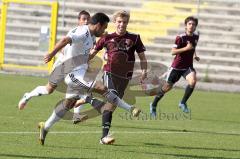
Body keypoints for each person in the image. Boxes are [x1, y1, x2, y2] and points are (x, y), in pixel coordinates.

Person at [37, 12, 141, 146]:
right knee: (102, 88)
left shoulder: (91, 35)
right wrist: (51, 54)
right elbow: (65, 40)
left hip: (80, 72)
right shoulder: (83, 33)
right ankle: (130, 109)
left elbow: (86, 52)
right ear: (98, 25)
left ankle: (45, 126)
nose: (104, 31)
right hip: (72, 73)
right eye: (103, 28)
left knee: (68, 104)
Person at [18, 11, 91, 119]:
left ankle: (76, 115)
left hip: (74, 66)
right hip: (63, 63)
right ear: (79, 20)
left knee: (77, 87)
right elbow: (65, 43)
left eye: (88, 19)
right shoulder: (75, 31)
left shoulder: (90, 34)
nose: (86, 21)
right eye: (83, 19)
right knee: (49, 90)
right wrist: (53, 53)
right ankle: (27, 96)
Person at [89, 10, 147, 144]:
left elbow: (142, 56)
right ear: (115, 22)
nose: (122, 24)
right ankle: (130, 111)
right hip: (109, 73)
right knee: (112, 96)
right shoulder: (106, 38)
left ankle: (103, 137)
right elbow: (93, 52)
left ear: (128, 23)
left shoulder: (135, 38)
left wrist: (144, 70)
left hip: (125, 77)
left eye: (125, 22)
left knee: (111, 106)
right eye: (119, 21)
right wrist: (81, 61)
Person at [149, 16, 200, 117]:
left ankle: (182, 102)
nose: (191, 26)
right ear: (186, 25)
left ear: (195, 27)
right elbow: (173, 52)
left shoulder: (196, 36)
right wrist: (186, 48)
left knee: (193, 81)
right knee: (166, 88)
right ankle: (154, 104)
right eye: (189, 24)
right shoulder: (180, 38)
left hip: (188, 66)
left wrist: (195, 55)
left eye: (193, 24)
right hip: (177, 67)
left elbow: (193, 47)